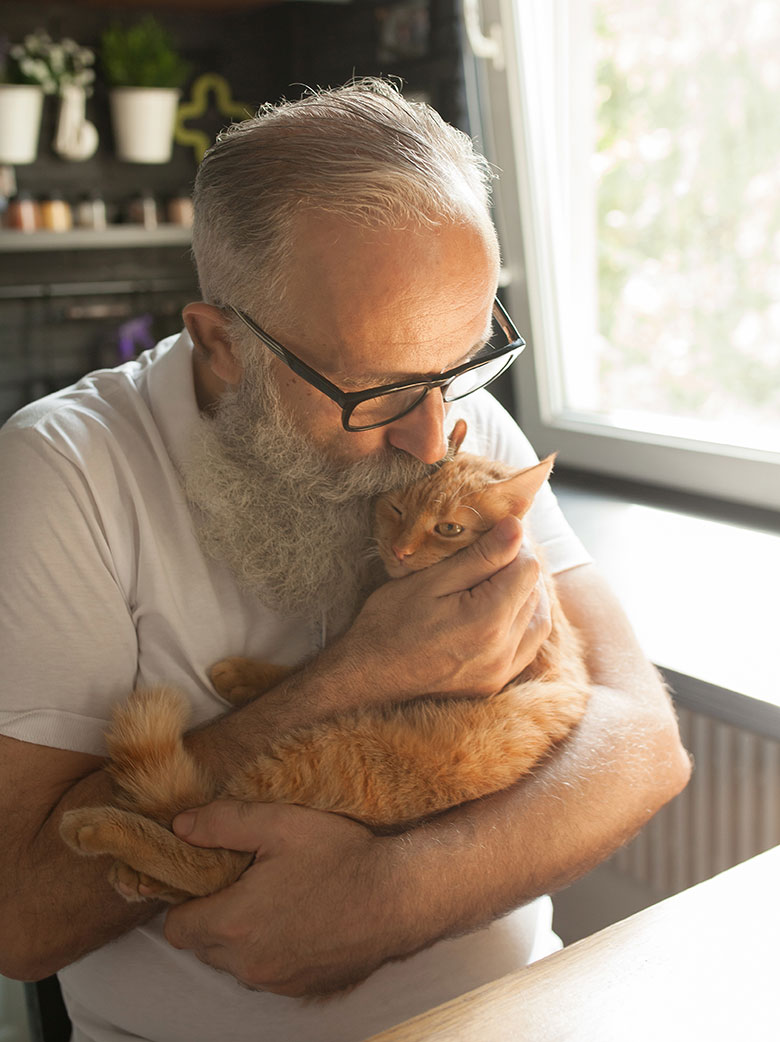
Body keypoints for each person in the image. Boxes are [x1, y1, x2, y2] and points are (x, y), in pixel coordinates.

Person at [0, 80, 690, 1042]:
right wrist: (365, 675)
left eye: (462, 367)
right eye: (376, 394)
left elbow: (643, 745)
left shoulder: (444, 413)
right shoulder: (67, 471)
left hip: (520, 1009)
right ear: (222, 343)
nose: (433, 437)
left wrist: (393, 899)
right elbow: (20, 918)